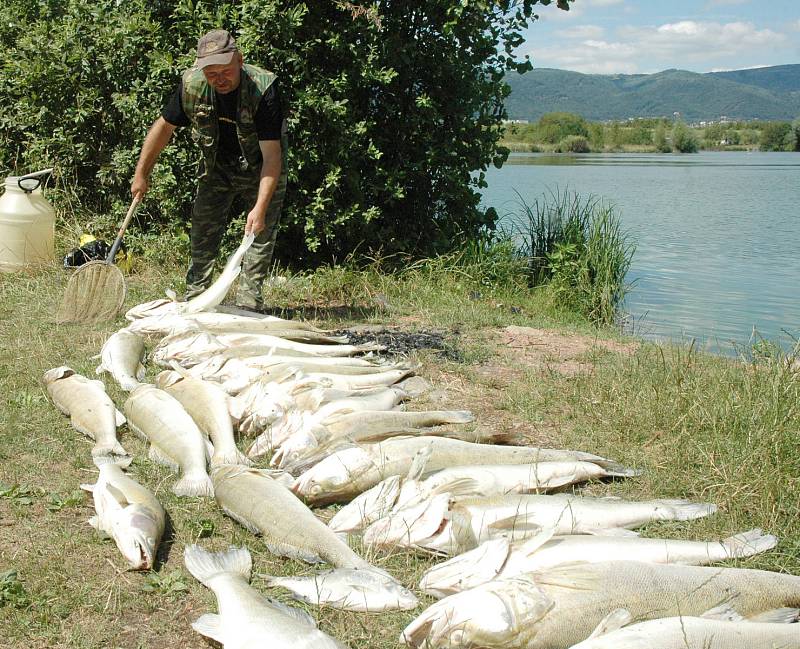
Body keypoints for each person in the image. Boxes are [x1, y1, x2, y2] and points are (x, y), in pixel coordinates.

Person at [131, 29, 287, 311]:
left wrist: (260, 207)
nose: (219, 80)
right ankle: (197, 301)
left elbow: (272, 157)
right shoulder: (191, 85)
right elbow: (163, 127)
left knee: (258, 235)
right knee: (202, 229)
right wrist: (142, 173)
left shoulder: (264, 89)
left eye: (225, 71)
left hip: (260, 168)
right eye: (211, 74)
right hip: (217, 167)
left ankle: (248, 306)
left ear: (239, 60)